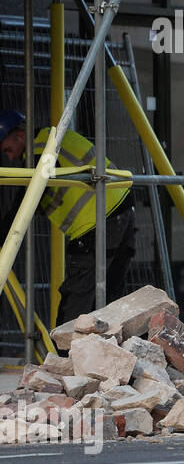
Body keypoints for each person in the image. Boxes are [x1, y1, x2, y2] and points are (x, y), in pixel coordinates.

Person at [0, 110, 137, 327]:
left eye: (8, 149)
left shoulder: (40, 152)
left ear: (19, 136)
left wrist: (4, 235)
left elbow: (26, 202)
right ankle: (111, 353)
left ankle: (65, 357)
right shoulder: (55, 138)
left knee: (76, 302)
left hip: (94, 223)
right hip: (122, 212)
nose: (9, 157)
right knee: (111, 297)